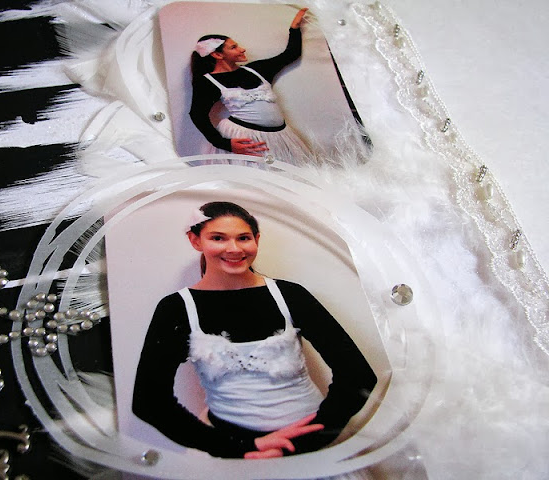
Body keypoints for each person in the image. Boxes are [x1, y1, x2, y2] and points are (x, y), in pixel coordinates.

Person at [132, 201, 377, 459]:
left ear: (256, 240)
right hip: (233, 451)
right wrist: (243, 447)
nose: (234, 248)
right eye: (218, 238)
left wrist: (312, 436)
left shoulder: (291, 295)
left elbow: (358, 376)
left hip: (311, 446)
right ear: (195, 240)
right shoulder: (176, 309)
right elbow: (149, 401)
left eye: (243, 238)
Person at [189, 8, 312, 164]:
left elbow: (291, 54)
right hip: (246, 139)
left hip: (280, 136)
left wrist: (294, 28)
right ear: (217, 55)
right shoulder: (207, 82)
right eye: (233, 47)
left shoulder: (257, 69)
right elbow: (197, 115)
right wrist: (224, 143)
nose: (242, 49)